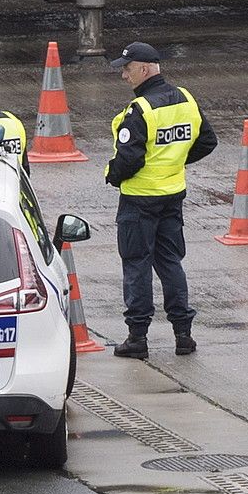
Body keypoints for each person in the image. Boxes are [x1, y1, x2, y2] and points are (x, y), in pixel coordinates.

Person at [104, 42, 217, 360]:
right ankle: (183, 335)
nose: (123, 75)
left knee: (137, 264)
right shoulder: (185, 99)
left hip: (139, 199)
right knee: (170, 262)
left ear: (143, 69)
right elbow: (207, 140)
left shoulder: (140, 111)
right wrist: (174, 162)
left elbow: (129, 161)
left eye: (126, 69)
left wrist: (112, 175)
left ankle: (137, 338)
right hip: (172, 194)